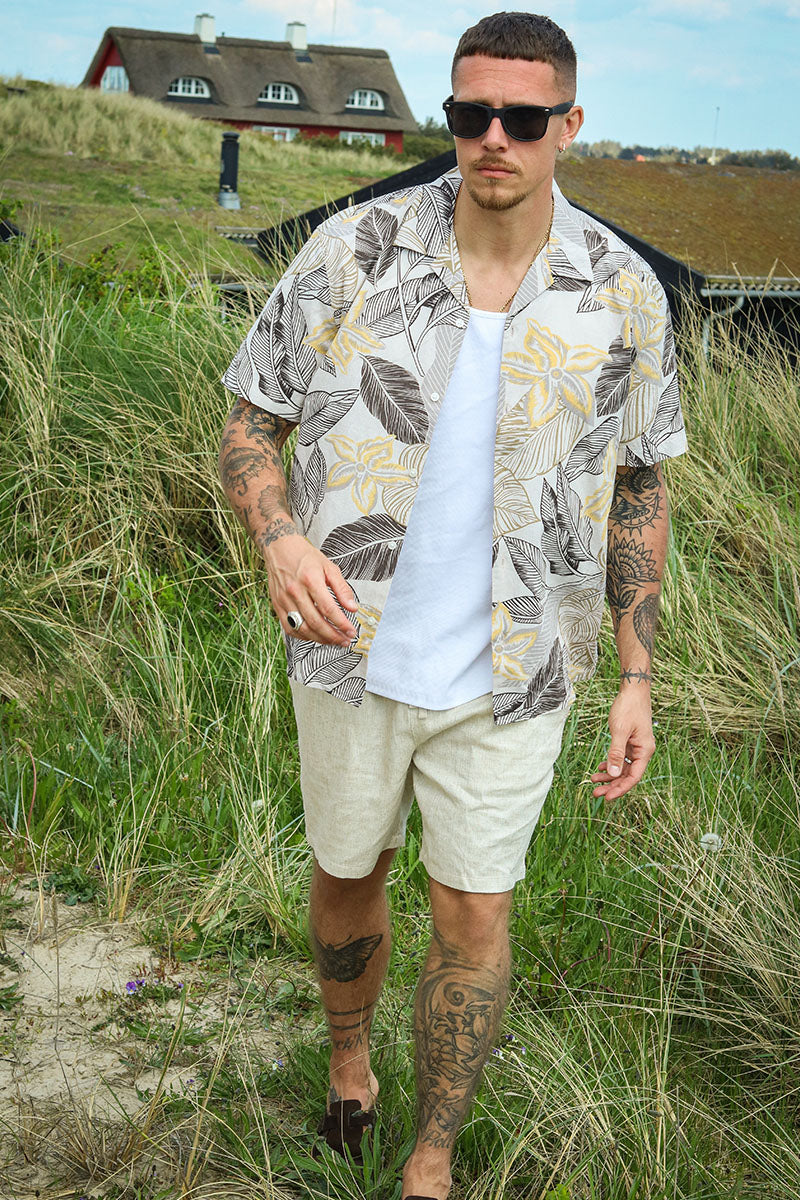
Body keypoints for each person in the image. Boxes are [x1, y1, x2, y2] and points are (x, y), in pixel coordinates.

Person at [219, 11, 686, 1199]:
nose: (492, 138)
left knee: (473, 915)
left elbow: (641, 486)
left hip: (518, 666)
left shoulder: (624, 292)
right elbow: (250, 424)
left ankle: (428, 1159)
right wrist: (279, 540)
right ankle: (349, 1073)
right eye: (469, 113)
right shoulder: (351, 249)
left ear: (567, 126)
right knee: (346, 874)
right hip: (347, 646)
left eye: (521, 118)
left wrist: (635, 674)